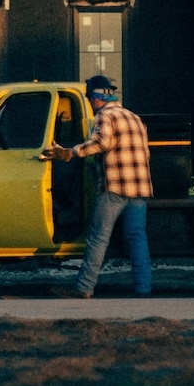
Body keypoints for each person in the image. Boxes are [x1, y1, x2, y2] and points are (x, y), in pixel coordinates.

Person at [41, 74, 152, 298]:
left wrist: (70, 153)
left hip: (114, 188)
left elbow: (102, 142)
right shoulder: (134, 117)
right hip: (140, 188)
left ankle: (84, 288)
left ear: (96, 98)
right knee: (137, 238)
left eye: (91, 100)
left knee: (98, 238)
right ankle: (144, 288)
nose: (91, 105)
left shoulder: (105, 116)